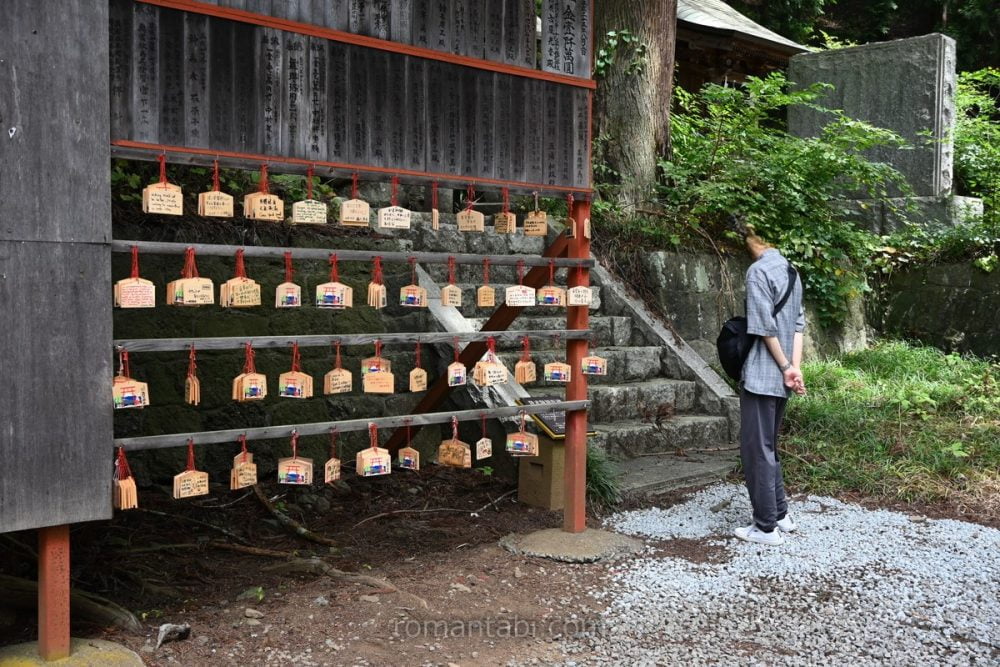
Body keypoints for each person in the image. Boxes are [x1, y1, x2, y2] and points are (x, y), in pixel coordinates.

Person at [735, 231, 807, 546]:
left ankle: (765, 527)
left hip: (764, 376)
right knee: (769, 446)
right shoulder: (790, 270)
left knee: (756, 448)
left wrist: (783, 367)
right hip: (783, 375)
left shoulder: (758, 272)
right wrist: (794, 367)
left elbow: (763, 327)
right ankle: (779, 514)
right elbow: (798, 325)